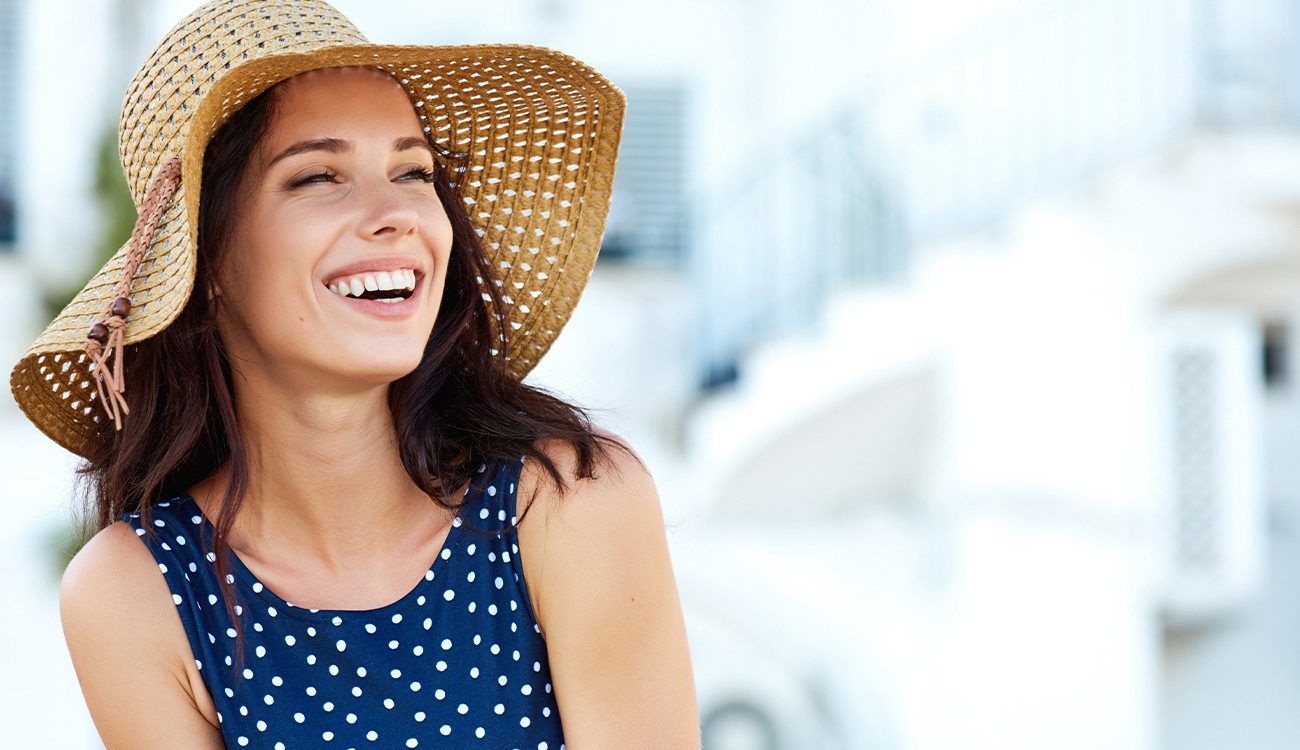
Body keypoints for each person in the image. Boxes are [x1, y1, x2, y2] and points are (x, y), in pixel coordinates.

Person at [7, 1, 700, 747]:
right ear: (205, 265)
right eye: (317, 177)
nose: (395, 212)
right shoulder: (133, 592)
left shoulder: (567, 504)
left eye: (413, 170)